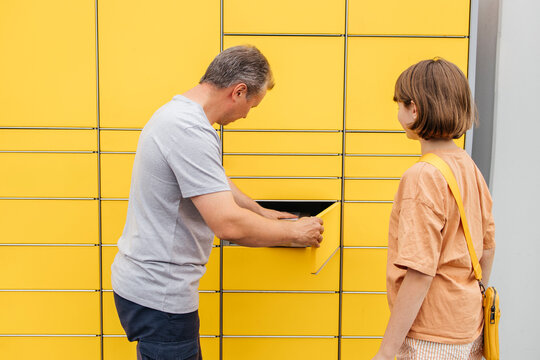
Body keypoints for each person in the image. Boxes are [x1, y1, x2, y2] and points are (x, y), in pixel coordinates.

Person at [111, 45, 324, 360]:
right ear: (238, 92)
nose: (247, 114)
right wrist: (296, 233)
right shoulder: (188, 129)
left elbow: (213, 180)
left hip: (155, 290)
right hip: (161, 294)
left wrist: (260, 211)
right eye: (252, 104)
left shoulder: (181, 116)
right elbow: (226, 224)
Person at [372, 58, 496, 360]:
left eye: (399, 104)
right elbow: (488, 246)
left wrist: (387, 351)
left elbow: (419, 270)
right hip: (468, 328)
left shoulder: (422, 176)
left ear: (414, 109)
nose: (398, 112)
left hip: (431, 336)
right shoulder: (468, 166)